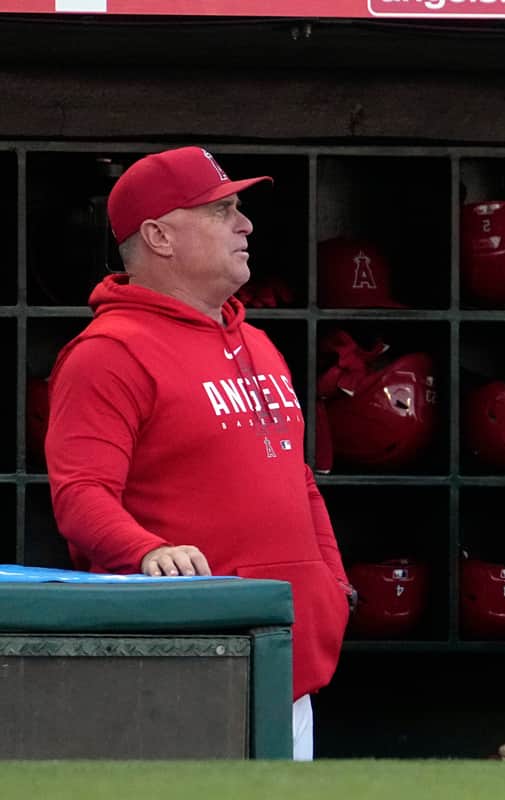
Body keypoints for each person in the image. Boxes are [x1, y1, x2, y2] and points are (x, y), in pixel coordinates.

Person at [44, 146, 354, 761]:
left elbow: (300, 482)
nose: (246, 225)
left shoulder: (260, 343)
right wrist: (148, 550)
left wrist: (332, 582)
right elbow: (79, 495)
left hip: (288, 668)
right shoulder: (108, 352)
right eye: (221, 210)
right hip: (183, 671)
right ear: (158, 235)